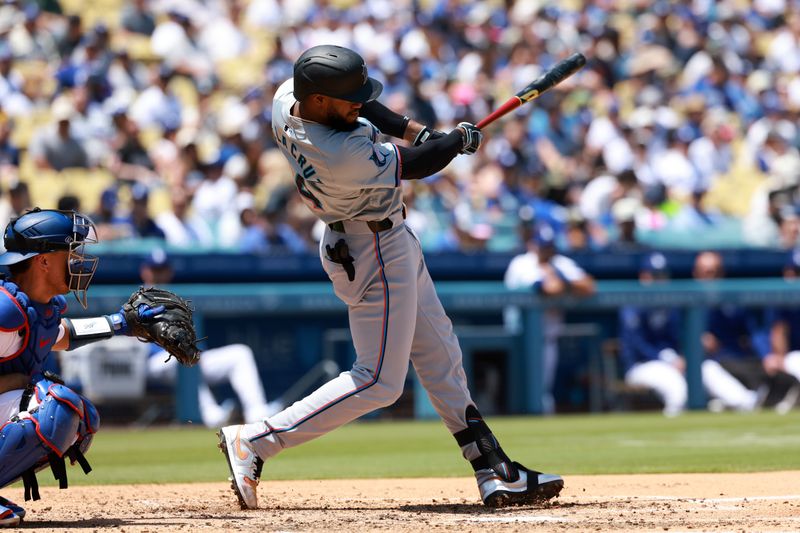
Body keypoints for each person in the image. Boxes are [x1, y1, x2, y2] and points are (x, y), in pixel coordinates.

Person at [218, 44, 563, 510]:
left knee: (441, 354)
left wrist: (424, 132)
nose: (359, 103)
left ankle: (493, 469)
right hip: (372, 247)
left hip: (381, 237)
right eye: (347, 98)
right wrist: (451, 142)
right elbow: (419, 165)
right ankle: (257, 441)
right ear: (319, 100)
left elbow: (372, 110)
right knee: (379, 380)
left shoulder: (289, 99)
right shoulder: (338, 152)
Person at [0, 208, 177, 526]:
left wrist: (122, 323)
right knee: (56, 407)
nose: (77, 260)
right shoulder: (5, 311)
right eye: (69, 251)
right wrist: (15, 381)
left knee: (80, 417)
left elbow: (60, 335)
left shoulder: (33, 308)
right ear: (43, 261)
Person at [140, 248, 281, 426]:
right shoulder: (137, 301)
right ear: (145, 271)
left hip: (187, 360)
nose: (159, 275)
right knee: (182, 356)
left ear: (169, 272)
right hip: (153, 363)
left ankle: (257, 413)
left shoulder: (176, 298)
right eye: (155, 270)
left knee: (240, 353)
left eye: (162, 270)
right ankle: (212, 415)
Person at [619, 252, 760, 416]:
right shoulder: (633, 304)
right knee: (678, 390)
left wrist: (689, 351)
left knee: (707, 367)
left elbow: (680, 336)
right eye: (654, 275)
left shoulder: (671, 304)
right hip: (643, 365)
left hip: (675, 363)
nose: (658, 280)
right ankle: (670, 433)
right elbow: (639, 345)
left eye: (662, 275)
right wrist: (669, 359)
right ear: (644, 277)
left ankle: (745, 401)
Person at [504, 223, 596, 413]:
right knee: (519, 393)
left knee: (542, 394)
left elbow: (589, 286)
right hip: (519, 340)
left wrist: (561, 280)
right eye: (542, 246)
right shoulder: (522, 263)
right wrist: (567, 284)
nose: (546, 250)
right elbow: (547, 289)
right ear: (533, 244)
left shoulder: (559, 262)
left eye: (549, 246)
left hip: (548, 339)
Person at [695, 251, 798, 408]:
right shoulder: (682, 306)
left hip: (738, 362)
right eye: (705, 272)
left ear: (722, 273)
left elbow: (754, 333)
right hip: (704, 365)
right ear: (695, 274)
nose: (710, 278)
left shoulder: (732, 303)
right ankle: (748, 403)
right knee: (706, 370)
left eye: (714, 272)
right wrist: (695, 342)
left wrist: (766, 355)